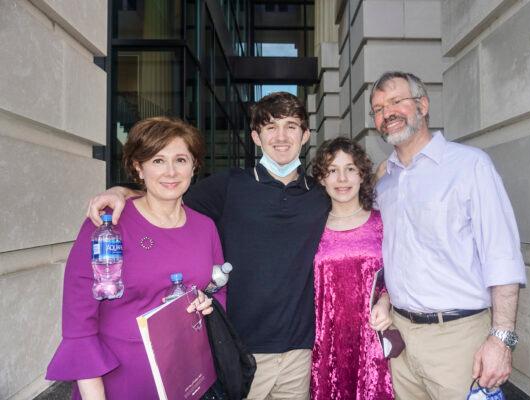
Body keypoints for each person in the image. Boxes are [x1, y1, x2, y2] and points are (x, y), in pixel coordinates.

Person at [85, 92, 330, 399]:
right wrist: (120, 192)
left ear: (305, 135)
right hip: (240, 348)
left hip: (298, 350)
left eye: (291, 126)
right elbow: (166, 192)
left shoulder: (321, 197)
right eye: (270, 127)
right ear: (256, 136)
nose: (281, 137)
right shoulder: (229, 185)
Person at [370, 71, 527, 400]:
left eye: (397, 101)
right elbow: (391, 256)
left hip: (459, 342)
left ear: (423, 105)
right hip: (401, 340)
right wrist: (385, 300)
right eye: (379, 108)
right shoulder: (385, 183)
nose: (387, 113)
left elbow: (502, 256)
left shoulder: (470, 166)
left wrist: (501, 339)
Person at [46, 117, 223, 399]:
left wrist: (207, 302)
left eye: (180, 159)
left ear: (194, 166)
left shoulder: (205, 227)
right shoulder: (109, 224)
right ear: (139, 168)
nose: (171, 171)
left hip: (187, 377)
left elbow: (217, 289)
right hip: (120, 380)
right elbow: (79, 324)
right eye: (157, 160)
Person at [309, 137, 394, 400]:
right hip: (325, 344)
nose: (342, 178)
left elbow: (397, 274)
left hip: (373, 340)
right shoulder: (311, 226)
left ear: (361, 175)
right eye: (333, 170)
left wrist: (386, 301)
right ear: (322, 179)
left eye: (350, 169)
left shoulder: (383, 222)